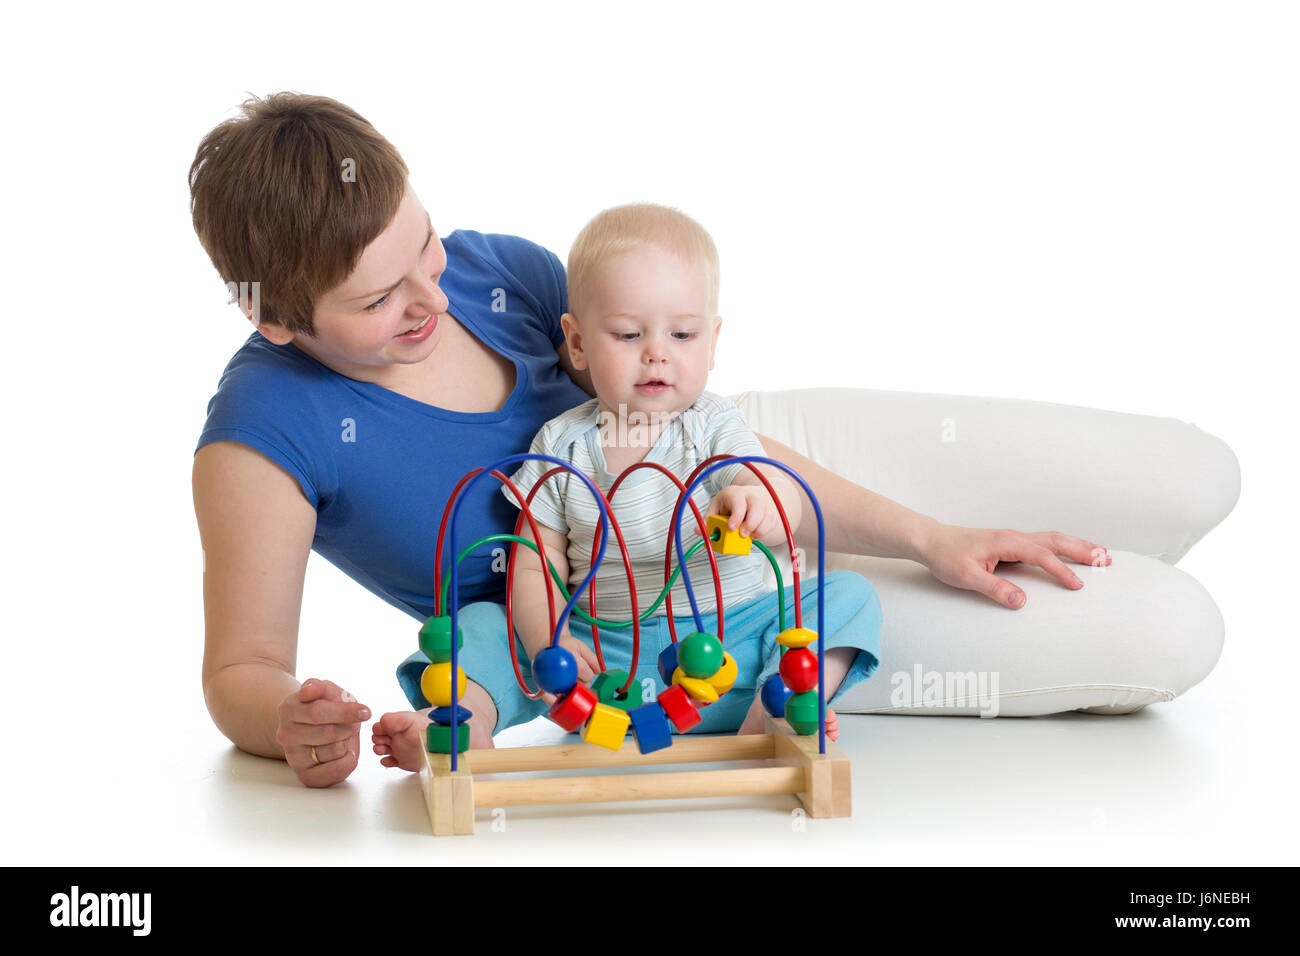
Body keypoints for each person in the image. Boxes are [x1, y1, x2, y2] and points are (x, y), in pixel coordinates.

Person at [191, 93, 1109, 788]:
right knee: (1159, 634)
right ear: (274, 318)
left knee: (1169, 484)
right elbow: (240, 670)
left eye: (423, 245)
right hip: (613, 641)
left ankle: (1008, 524)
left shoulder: (502, 272)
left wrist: (931, 537)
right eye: (378, 300)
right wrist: (290, 718)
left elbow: (688, 419)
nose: (435, 297)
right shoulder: (262, 437)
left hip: (745, 468)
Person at [377, 204, 880, 764]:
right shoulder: (560, 444)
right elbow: (536, 560)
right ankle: (462, 720)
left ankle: (777, 709)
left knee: (848, 597)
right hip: (603, 660)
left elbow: (777, 493)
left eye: (683, 334)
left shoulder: (713, 425)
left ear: (713, 342)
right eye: (628, 333)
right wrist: (551, 643)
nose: (657, 352)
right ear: (578, 343)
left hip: (731, 648)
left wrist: (757, 500)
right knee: (481, 625)